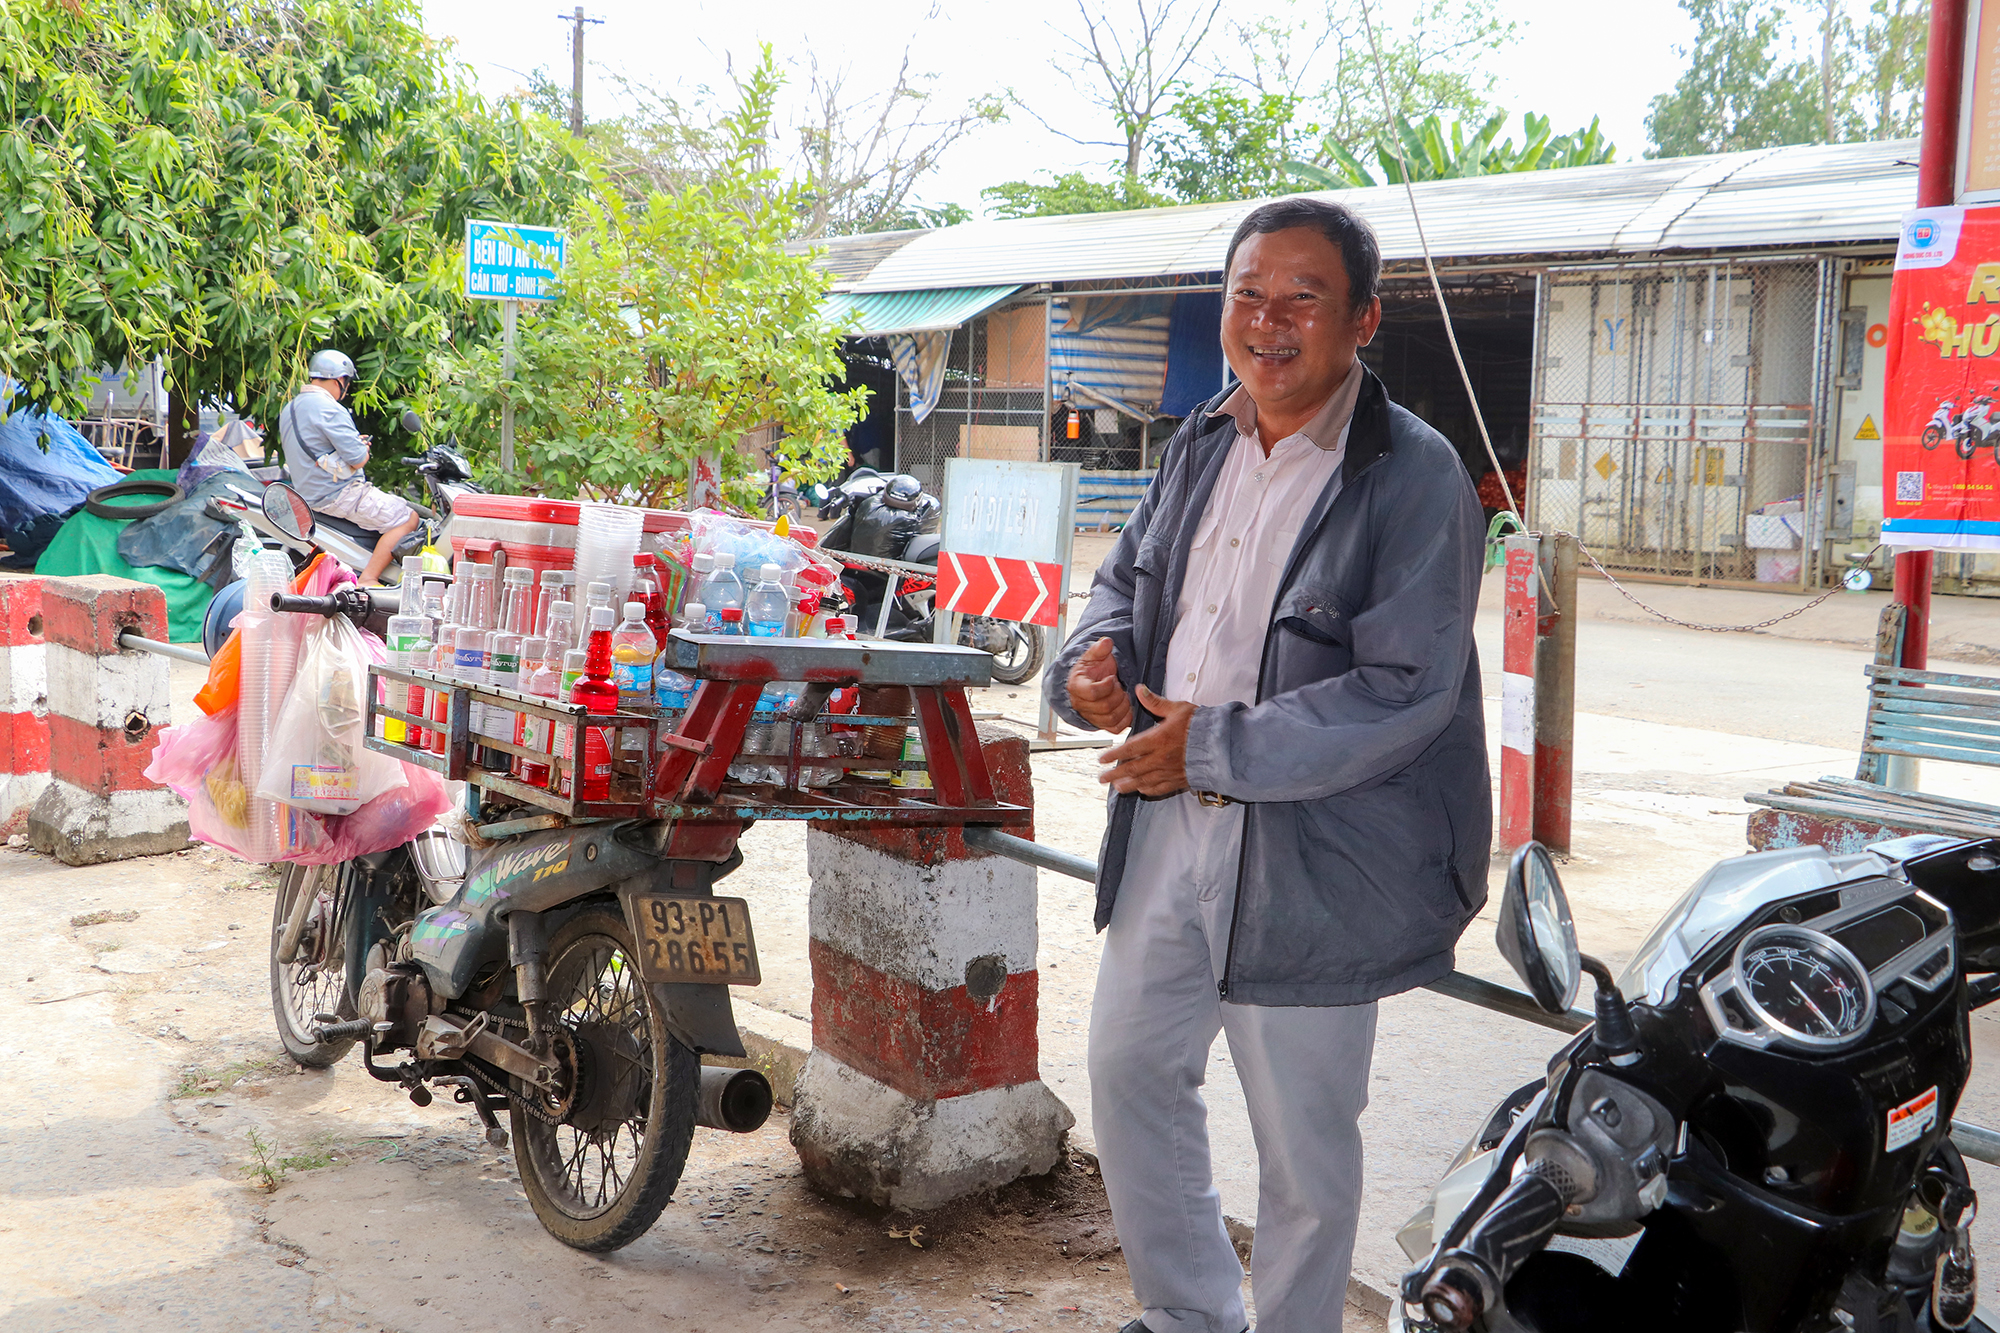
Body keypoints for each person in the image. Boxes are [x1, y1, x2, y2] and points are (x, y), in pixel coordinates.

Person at [1046, 197, 1490, 1333]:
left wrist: (1212, 741)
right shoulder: (1199, 440)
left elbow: (1404, 689)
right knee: (1130, 1074)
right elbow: (1120, 585)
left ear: (1361, 321)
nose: (1267, 320)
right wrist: (1093, 665)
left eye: (1302, 297)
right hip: (1167, 820)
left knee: (1300, 1143)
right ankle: (1190, 1312)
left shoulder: (1413, 473)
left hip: (1316, 848)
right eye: (1248, 292)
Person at [278, 349, 417, 585]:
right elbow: (358, 459)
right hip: (339, 494)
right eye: (346, 382)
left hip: (309, 494)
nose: (346, 388)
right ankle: (370, 578)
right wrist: (362, 449)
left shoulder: (290, 408)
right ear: (338, 379)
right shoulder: (329, 408)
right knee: (408, 518)